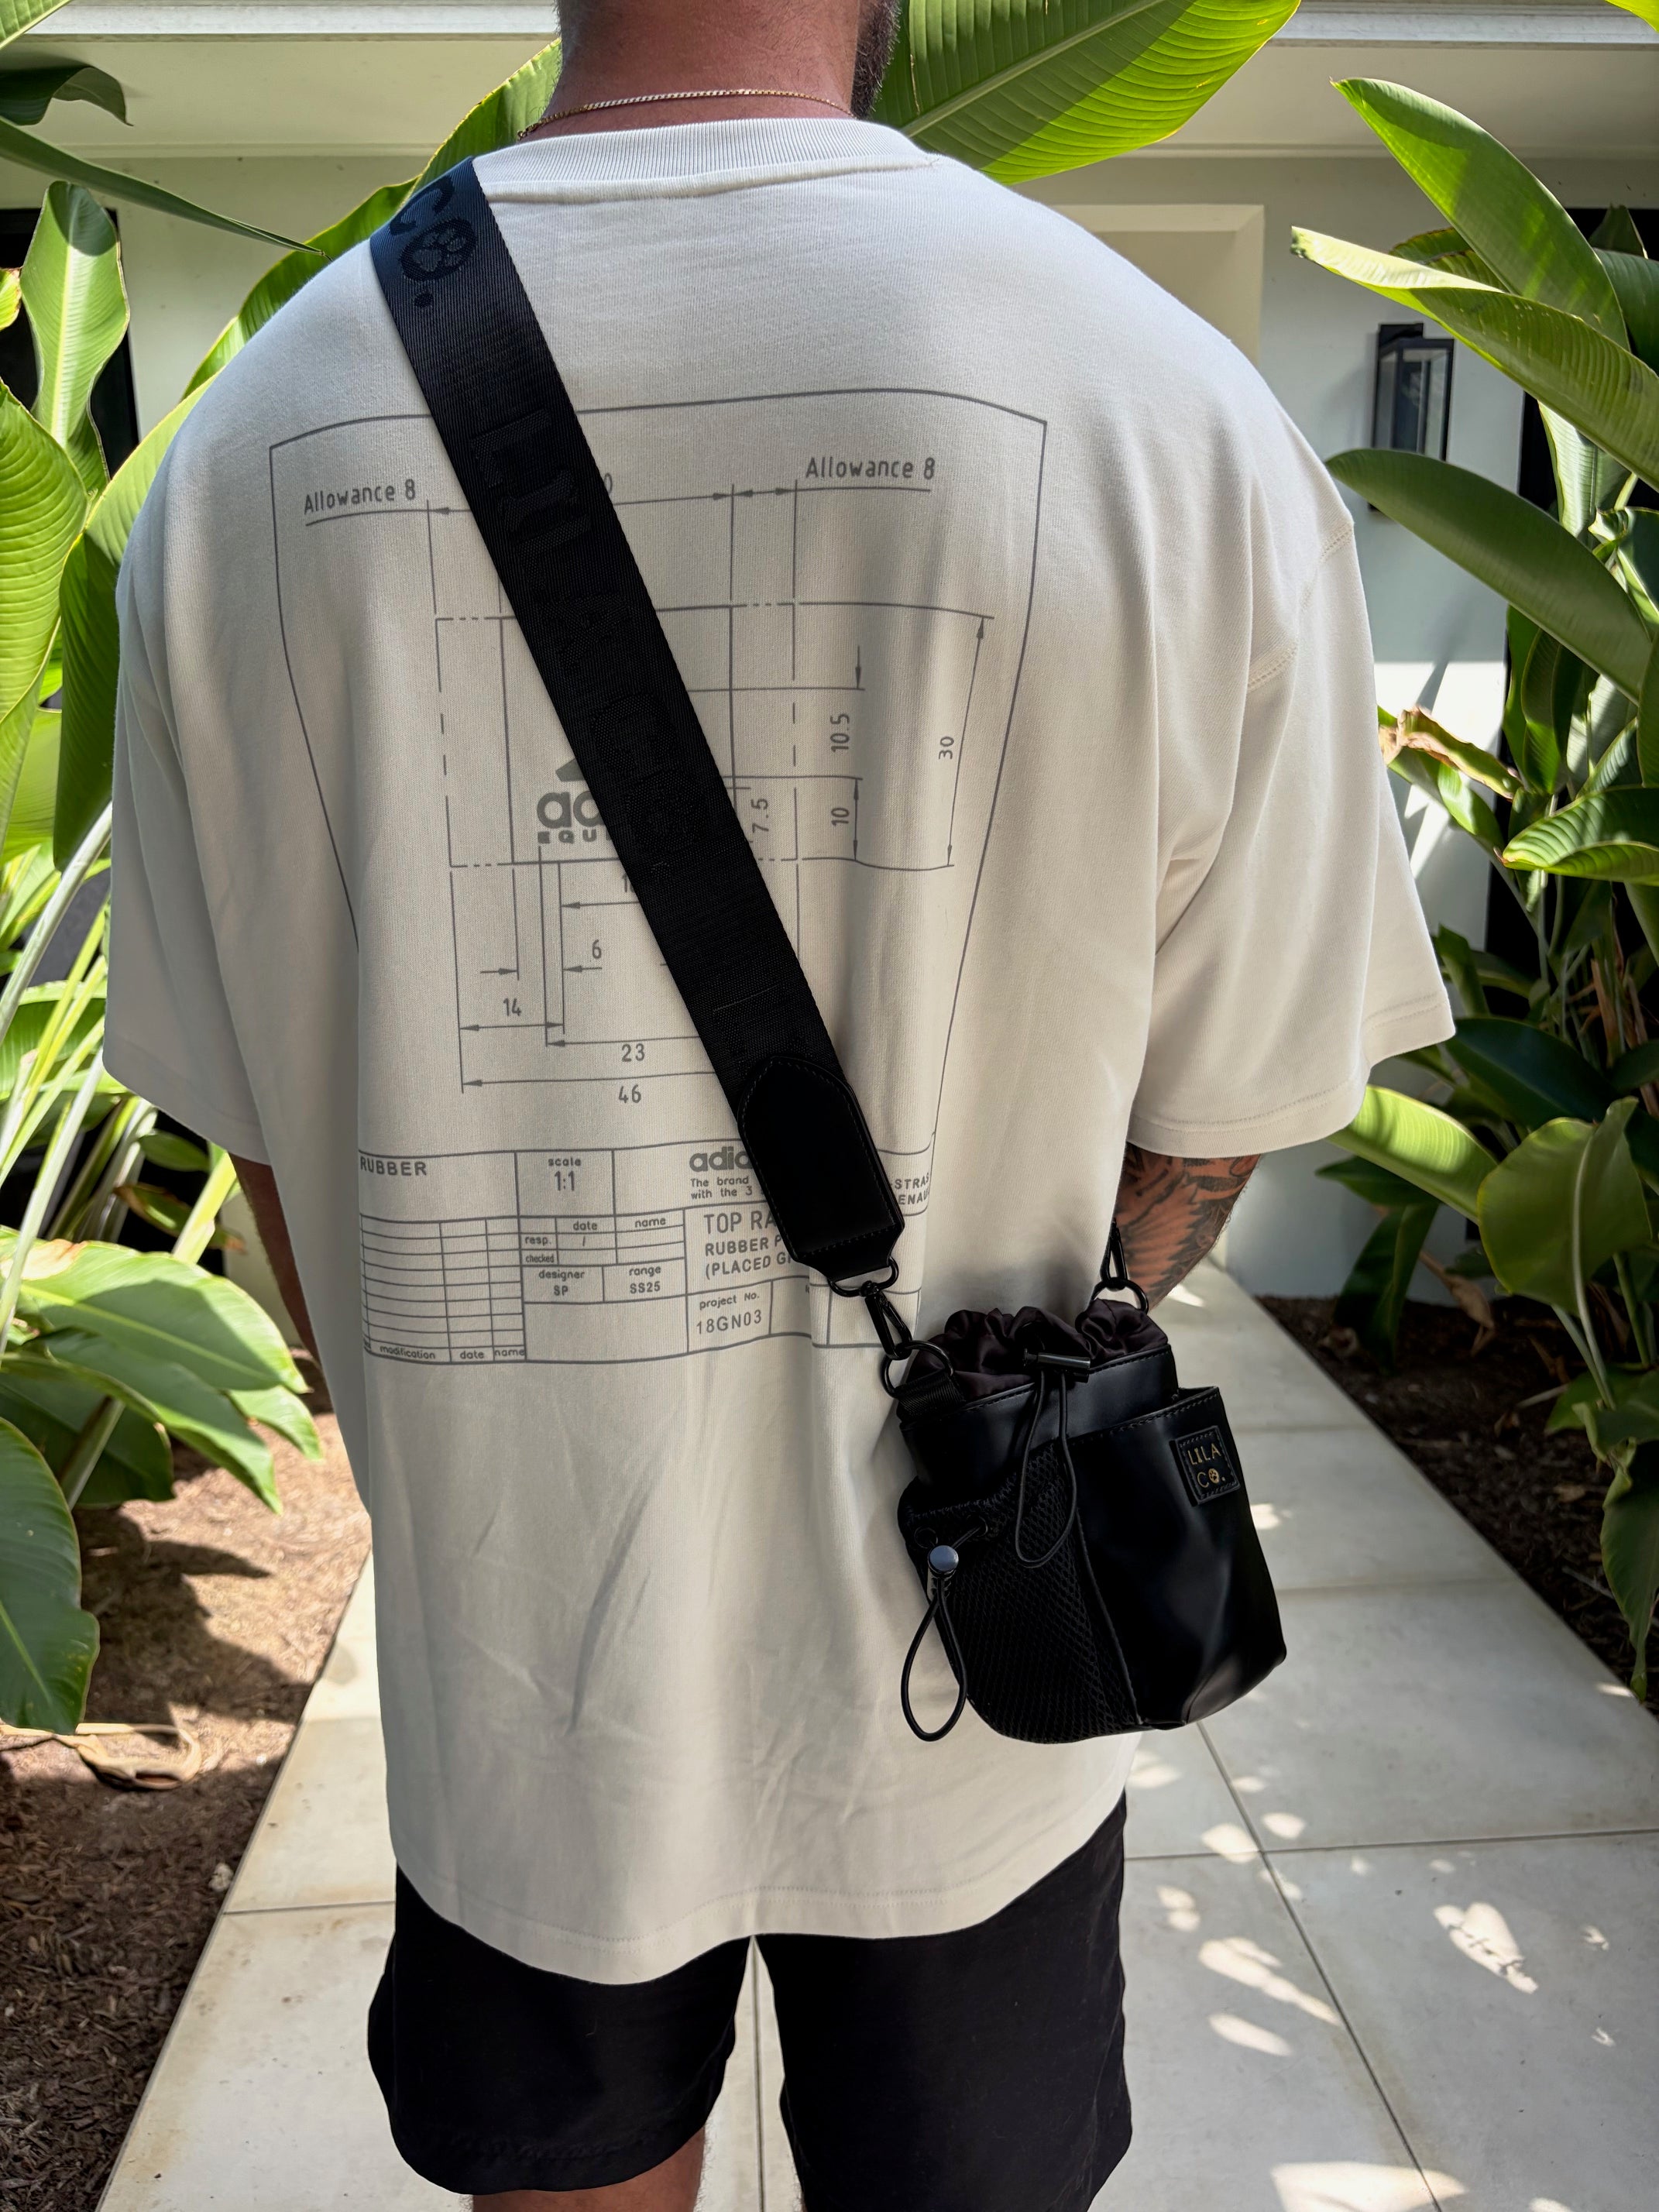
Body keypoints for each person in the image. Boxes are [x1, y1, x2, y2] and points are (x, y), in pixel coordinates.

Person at [107, 2, 1454, 2205]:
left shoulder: (244, 453)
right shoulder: (1169, 409)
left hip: (522, 1669)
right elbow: (1224, 1113)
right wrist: (1030, 1350)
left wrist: (436, 1427)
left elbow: (259, 1121)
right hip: (986, 1649)